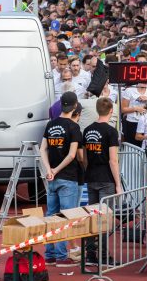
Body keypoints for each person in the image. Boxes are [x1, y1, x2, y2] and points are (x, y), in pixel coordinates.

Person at [40, 91, 84, 266]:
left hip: (52, 178)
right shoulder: (73, 127)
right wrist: (56, 170)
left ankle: (50, 254)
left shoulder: (50, 125)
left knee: (52, 215)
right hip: (67, 177)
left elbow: (42, 148)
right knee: (66, 216)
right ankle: (60, 256)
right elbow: (73, 155)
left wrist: (49, 169)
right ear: (74, 107)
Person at [82, 98, 122, 264]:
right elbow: (113, 160)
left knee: (93, 217)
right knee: (104, 219)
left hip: (91, 177)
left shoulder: (88, 130)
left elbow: (84, 158)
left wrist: (88, 171)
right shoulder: (111, 132)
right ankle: (104, 256)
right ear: (111, 111)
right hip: (106, 179)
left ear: (97, 110)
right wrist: (118, 184)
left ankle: (91, 254)